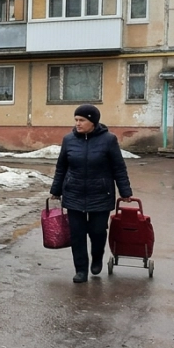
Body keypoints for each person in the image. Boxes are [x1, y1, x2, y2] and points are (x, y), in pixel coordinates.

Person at [49, 103, 133, 284]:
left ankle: (97, 257)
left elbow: (118, 167)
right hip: (74, 194)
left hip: (100, 194)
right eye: (76, 120)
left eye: (82, 120)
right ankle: (80, 270)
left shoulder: (108, 140)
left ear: (93, 122)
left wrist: (125, 191)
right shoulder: (68, 140)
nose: (77, 123)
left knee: (97, 232)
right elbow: (61, 167)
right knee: (77, 234)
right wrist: (56, 190)